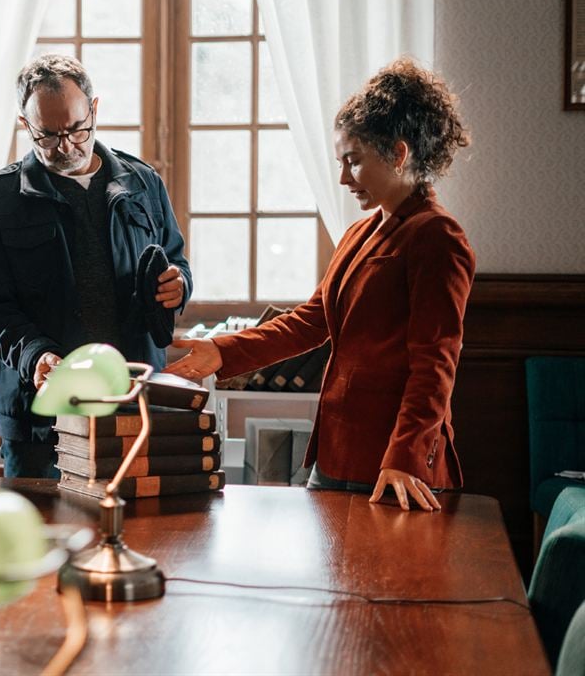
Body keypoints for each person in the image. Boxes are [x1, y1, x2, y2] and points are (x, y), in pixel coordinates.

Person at [168, 58, 475, 512]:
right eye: (340, 162)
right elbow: (312, 322)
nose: (343, 178)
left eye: (354, 162)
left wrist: (406, 457)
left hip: (396, 466)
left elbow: (435, 364)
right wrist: (223, 352)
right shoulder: (360, 232)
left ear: (399, 153)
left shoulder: (437, 237)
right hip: (336, 451)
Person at [0, 54, 192, 478]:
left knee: (137, 530)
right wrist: (34, 354)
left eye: (76, 129)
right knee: (44, 537)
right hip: (40, 413)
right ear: (24, 124)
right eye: (47, 136)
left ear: (94, 109)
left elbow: (174, 259)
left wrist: (179, 285)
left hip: (131, 398)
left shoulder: (144, 183)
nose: (66, 146)